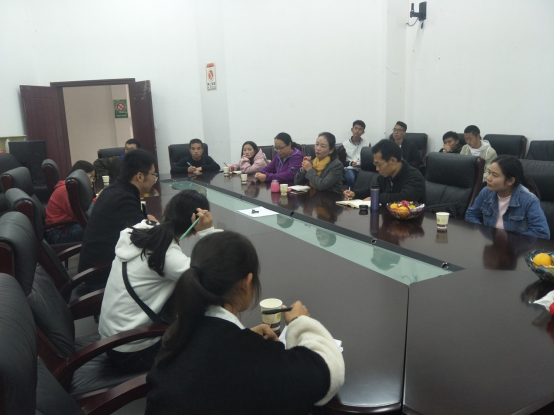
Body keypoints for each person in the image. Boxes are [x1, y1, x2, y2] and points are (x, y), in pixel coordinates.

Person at [146, 231, 345, 414]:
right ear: (246, 283)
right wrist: (299, 322)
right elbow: (329, 373)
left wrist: (243, 336)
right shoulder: (248, 356)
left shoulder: (179, 332)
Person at [99, 190, 214, 372]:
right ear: (195, 229)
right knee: (208, 343)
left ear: (165, 209)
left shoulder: (140, 230)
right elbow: (212, 278)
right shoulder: (168, 256)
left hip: (112, 339)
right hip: (132, 350)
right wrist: (207, 234)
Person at [78, 149, 159, 290]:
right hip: (101, 277)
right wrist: (156, 225)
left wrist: (146, 221)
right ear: (140, 176)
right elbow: (144, 240)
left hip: (96, 268)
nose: (154, 179)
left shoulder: (114, 190)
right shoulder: (123, 199)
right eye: (153, 174)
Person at [465, 156, 550, 239]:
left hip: (516, 247)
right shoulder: (486, 192)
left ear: (510, 181)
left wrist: (510, 240)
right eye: (489, 172)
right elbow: (471, 214)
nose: (488, 178)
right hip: (490, 243)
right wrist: (483, 233)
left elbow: (542, 233)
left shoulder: (529, 200)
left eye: (495, 175)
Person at [344, 139, 426, 204]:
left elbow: (404, 198)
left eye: (379, 164)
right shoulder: (385, 176)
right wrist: (355, 194)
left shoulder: (414, 176)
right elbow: (373, 190)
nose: (377, 169)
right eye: (375, 164)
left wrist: (376, 198)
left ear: (393, 160)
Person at [45, 160, 95, 244]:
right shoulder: (66, 190)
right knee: (99, 228)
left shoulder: (72, 188)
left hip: (67, 226)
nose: (92, 180)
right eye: (90, 177)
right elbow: (81, 214)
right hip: (57, 233)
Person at [343, 120, 369, 189]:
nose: (357, 131)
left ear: (363, 132)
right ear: (352, 129)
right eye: (356, 128)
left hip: (362, 168)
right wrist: (351, 163)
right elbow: (342, 161)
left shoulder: (367, 143)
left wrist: (360, 163)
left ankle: (360, 194)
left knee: (367, 179)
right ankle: (350, 193)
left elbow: (369, 159)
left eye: (360, 129)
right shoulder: (345, 144)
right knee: (351, 178)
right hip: (350, 168)